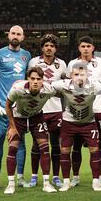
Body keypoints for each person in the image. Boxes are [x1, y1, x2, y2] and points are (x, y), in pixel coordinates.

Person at [0, 25, 31, 190]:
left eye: (19, 34)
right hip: (1, 108)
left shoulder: (26, 55)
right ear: (8, 35)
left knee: (21, 142)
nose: (15, 36)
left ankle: (20, 178)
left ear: (23, 37)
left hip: (19, 108)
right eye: (13, 33)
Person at [4, 67, 58, 195]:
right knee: (12, 149)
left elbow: (65, 93)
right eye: (32, 78)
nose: (35, 81)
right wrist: (12, 127)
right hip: (18, 119)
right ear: (28, 79)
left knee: (45, 148)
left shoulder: (49, 89)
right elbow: (7, 105)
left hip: (36, 118)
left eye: (38, 79)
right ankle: (11, 184)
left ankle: (46, 183)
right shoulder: (18, 89)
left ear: (42, 80)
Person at [66, 36, 101, 188]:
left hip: (97, 109)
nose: (85, 48)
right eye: (83, 46)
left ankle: (98, 177)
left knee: (98, 145)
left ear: (93, 48)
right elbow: (68, 83)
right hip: (77, 110)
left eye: (88, 46)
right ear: (79, 48)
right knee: (76, 145)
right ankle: (76, 176)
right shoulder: (72, 64)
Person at [54, 63, 101, 192]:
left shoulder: (95, 86)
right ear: (71, 75)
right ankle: (66, 182)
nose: (79, 77)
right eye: (76, 74)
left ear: (88, 75)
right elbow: (48, 86)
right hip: (69, 123)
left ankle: (96, 181)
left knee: (95, 150)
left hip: (89, 122)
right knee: (65, 151)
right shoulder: (63, 84)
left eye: (82, 74)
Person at [26, 34, 66, 188]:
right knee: (37, 145)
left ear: (55, 48)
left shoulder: (62, 64)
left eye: (52, 46)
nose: (49, 48)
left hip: (56, 110)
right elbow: (29, 82)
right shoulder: (34, 62)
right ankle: (34, 177)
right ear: (42, 47)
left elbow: (66, 84)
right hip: (38, 109)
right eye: (46, 45)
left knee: (56, 145)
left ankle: (56, 176)